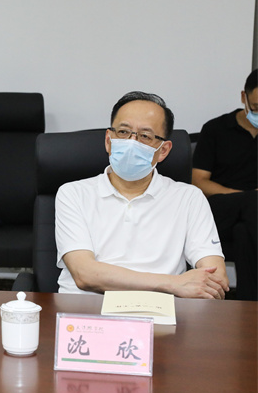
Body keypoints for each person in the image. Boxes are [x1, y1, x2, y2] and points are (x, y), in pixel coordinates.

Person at [55, 91, 228, 299]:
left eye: (145, 136)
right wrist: (174, 284)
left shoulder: (189, 198)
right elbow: (85, 275)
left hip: (161, 311)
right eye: (123, 132)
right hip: (86, 310)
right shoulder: (73, 194)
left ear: (163, 150)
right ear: (109, 140)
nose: (132, 142)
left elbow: (215, 278)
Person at [192, 69, 257, 300]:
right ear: (243, 97)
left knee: (244, 233)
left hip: (251, 221)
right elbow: (199, 182)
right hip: (218, 212)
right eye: (256, 107)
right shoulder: (216, 129)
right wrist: (245, 197)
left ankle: (249, 306)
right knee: (254, 202)